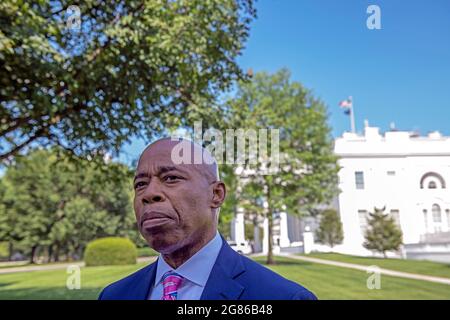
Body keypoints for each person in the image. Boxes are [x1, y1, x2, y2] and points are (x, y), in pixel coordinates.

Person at [98, 138, 316, 300]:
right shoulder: (113, 295)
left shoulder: (283, 297)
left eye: (171, 178)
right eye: (140, 184)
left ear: (216, 195)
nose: (149, 193)